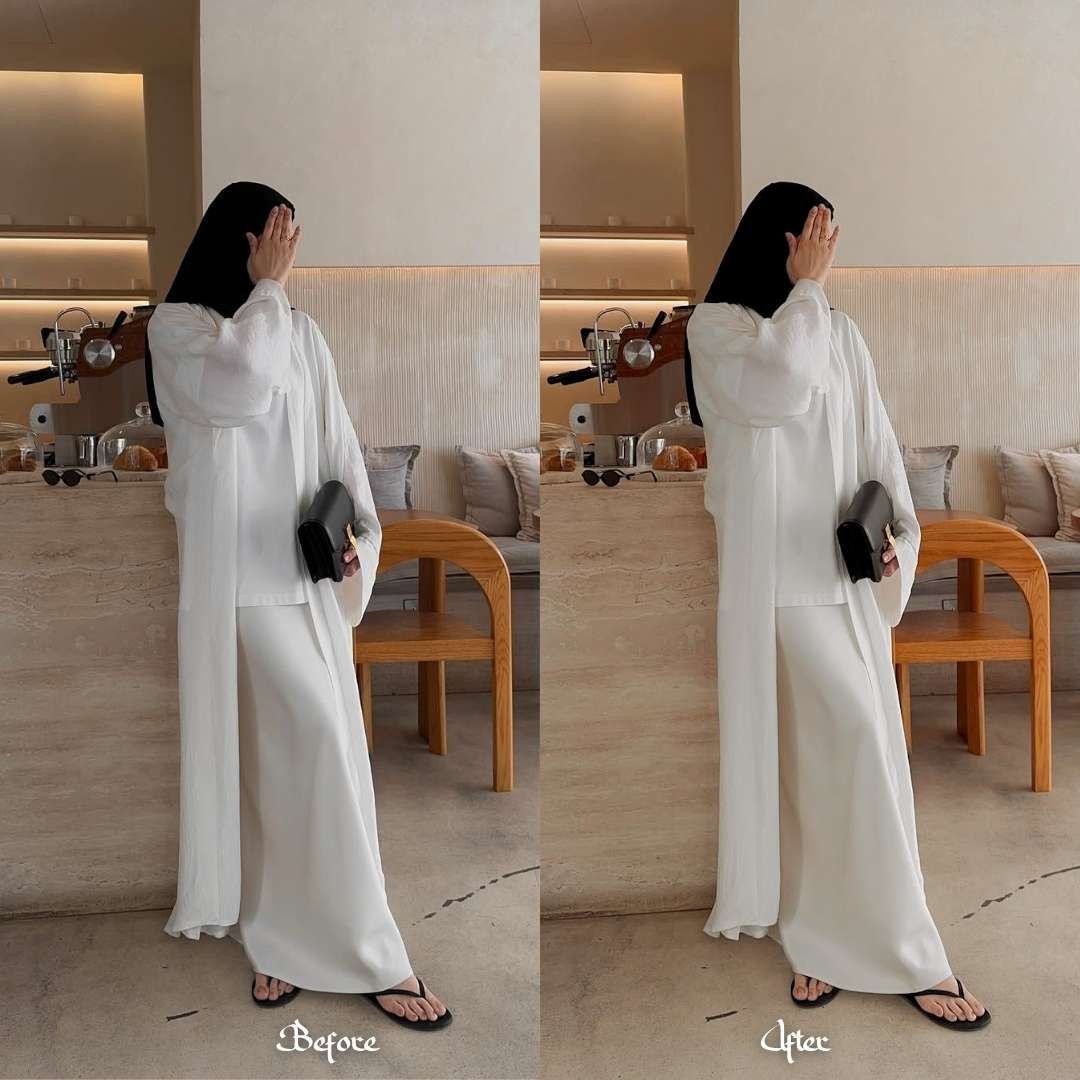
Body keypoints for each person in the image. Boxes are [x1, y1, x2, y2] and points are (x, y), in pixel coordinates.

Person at [684, 181, 989, 1030]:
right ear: (779, 242)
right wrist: (810, 290)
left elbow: (878, 451)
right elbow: (779, 387)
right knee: (833, 753)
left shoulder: (841, 333)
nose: (824, 253)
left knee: (844, 760)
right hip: (775, 590)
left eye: (829, 240)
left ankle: (828, 939)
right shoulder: (719, 330)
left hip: (843, 582)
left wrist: (896, 538)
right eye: (812, 237)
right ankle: (900, 953)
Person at [146, 181, 450, 1030]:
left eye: (291, 241)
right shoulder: (180, 330)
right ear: (241, 242)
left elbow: (339, 450)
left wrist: (357, 538)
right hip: (235, 589)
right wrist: (270, 288)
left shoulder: (301, 333)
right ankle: (365, 954)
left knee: (310, 759)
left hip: (303, 581)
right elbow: (240, 386)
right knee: (291, 752)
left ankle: (286, 938)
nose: (286, 253)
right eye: (274, 238)